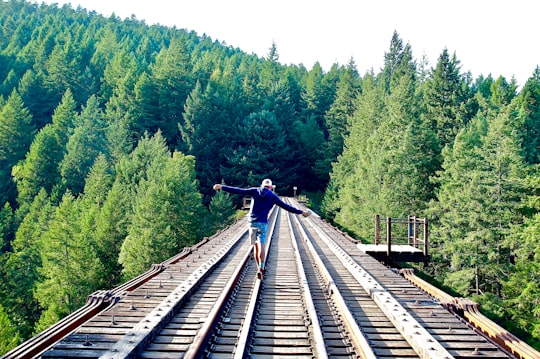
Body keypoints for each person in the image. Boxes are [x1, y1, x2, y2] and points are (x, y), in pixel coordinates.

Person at [213, 178, 310, 278]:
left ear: (262, 185)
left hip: (252, 223)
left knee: (255, 246)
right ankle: (261, 267)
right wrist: (301, 212)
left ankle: (258, 267)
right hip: (262, 223)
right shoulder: (273, 196)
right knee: (262, 245)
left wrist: (221, 187)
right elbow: (287, 207)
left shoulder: (255, 190)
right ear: (271, 187)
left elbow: (238, 190)